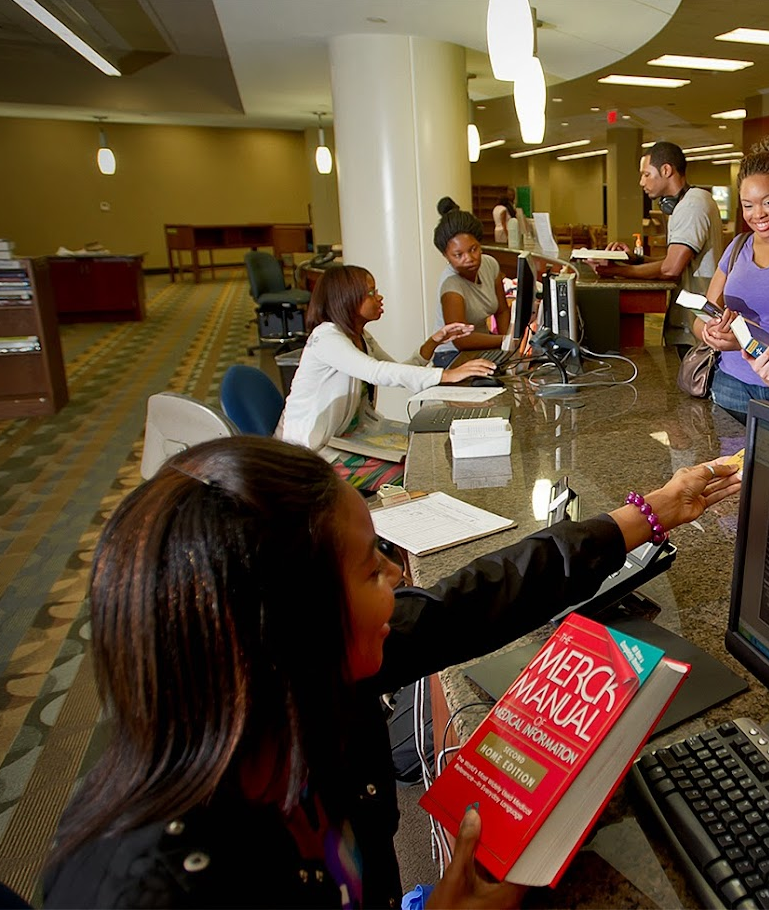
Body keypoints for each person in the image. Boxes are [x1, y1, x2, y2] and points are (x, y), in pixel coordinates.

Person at [42, 435, 741, 910]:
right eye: (369, 566)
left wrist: (650, 512)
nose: (397, 578)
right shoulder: (151, 889)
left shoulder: (295, 678)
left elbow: (470, 601)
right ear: (287, 621)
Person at [275, 264, 495, 490]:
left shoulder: (359, 336)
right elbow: (377, 372)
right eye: (371, 293)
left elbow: (396, 369)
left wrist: (434, 342)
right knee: (417, 471)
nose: (379, 297)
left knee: (430, 448)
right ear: (347, 299)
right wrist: (447, 375)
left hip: (348, 437)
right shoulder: (326, 337)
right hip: (314, 451)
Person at [588, 141, 723, 354]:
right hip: (689, 322)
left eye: (646, 174)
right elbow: (677, 261)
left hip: (695, 326)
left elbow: (671, 269)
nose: (642, 182)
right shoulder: (688, 202)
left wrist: (619, 272)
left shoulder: (691, 204)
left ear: (666, 170)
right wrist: (634, 259)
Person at [691, 144, 769, 423]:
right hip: (730, 385)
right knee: (727, 464)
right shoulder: (738, 247)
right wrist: (710, 333)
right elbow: (702, 316)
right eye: (748, 205)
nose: (758, 214)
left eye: (767, 202)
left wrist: (745, 341)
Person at [432, 208, 512, 368]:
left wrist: (507, 349)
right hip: (451, 355)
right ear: (445, 256)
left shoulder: (490, 264)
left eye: (473, 249)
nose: (468, 259)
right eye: (458, 255)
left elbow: (501, 310)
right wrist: (507, 341)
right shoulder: (451, 284)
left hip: (482, 346)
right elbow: (461, 340)